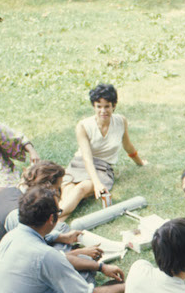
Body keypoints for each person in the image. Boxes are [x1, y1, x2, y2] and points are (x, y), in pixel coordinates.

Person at [59, 84, 147, 219]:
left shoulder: (120, 121)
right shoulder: (83, 126)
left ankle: (51, 220)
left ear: (114, 105)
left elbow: (128, 145)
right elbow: (87, 158)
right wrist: (97, 183)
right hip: (80, 164)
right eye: (98, 106)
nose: (103, 111)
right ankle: (55, 224)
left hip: (102, 169)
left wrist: (140, 162)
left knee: (81, 189)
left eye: (107, 106)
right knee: (68, 190)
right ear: (93, 107)